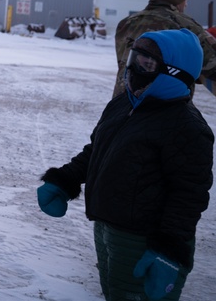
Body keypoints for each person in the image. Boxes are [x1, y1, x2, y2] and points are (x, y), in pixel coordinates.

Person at [38, 28, 213, 300]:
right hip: (107, 228)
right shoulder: (124, 104)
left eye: (146, 63)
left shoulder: (187, 127)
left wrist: (169, 251)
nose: (132, 69)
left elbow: (189, 195)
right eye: (133, 59)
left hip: (143, 240)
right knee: (113, 293)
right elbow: (97, 149)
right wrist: (66, 179)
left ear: (174, 72)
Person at [111, 0, 216, 99]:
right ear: (175, 0)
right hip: (162, 108)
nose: (186, 4)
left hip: (121, 104)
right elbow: (212, 67)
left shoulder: (126, 24)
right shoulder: (185, 26)